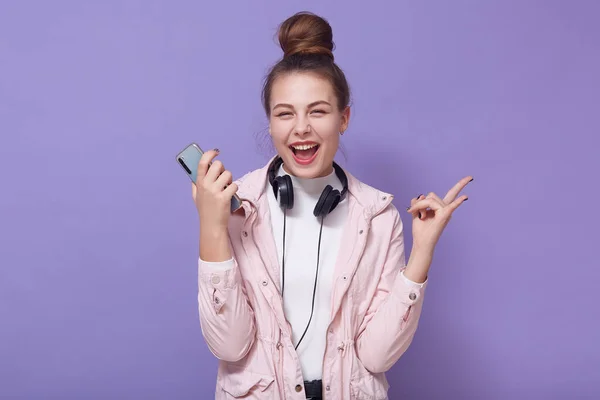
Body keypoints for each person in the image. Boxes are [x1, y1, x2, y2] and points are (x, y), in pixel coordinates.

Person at [190, 11, 471, 400]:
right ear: (270, 124)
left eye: (317, 111)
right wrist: (212, 227)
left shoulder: (377, 215)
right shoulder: (234, 206)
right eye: (285, 113)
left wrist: (421, 252)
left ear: (344, 118)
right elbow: (229, 346)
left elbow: (377, 355)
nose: (301, 128)